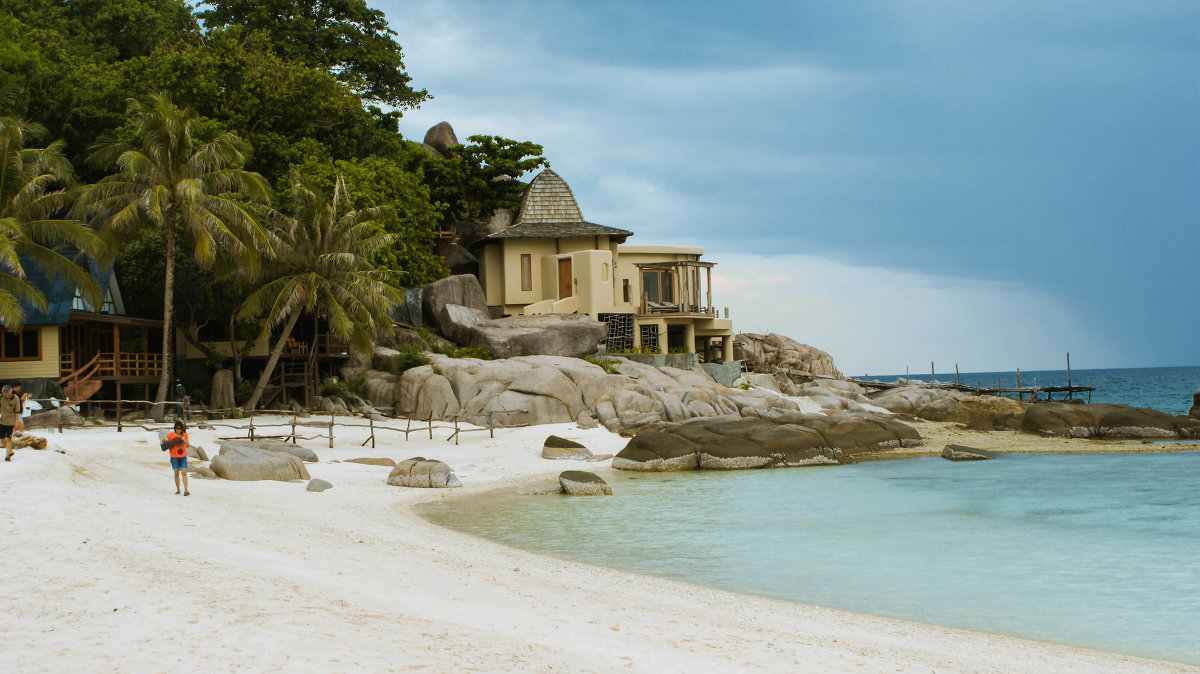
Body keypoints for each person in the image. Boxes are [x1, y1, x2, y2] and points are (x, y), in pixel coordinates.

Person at [163, 420, 191, 496]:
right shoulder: (170, 435)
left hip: (183, 457)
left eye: (180, 429)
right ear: (174, 428)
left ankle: (186, 490)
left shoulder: (185, 435)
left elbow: (188, 446)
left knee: (184, 473)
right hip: (174, 457)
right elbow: (163, 443)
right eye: (177, 428)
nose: (178, 430)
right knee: (176, 474)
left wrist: (185, 441)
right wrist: (164, 440)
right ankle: (178, 490)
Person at [1, 384, 19, 461]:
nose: (6, 396)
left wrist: (16, 422)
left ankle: (7, 456)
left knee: (9, 438)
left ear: (10, 392)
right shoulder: (1, 397)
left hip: (11, 422)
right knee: (2, 438)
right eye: (4, 395)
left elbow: (17, 412)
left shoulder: (15, 398)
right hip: (2, 421)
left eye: (7, 395)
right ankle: (10, 451)